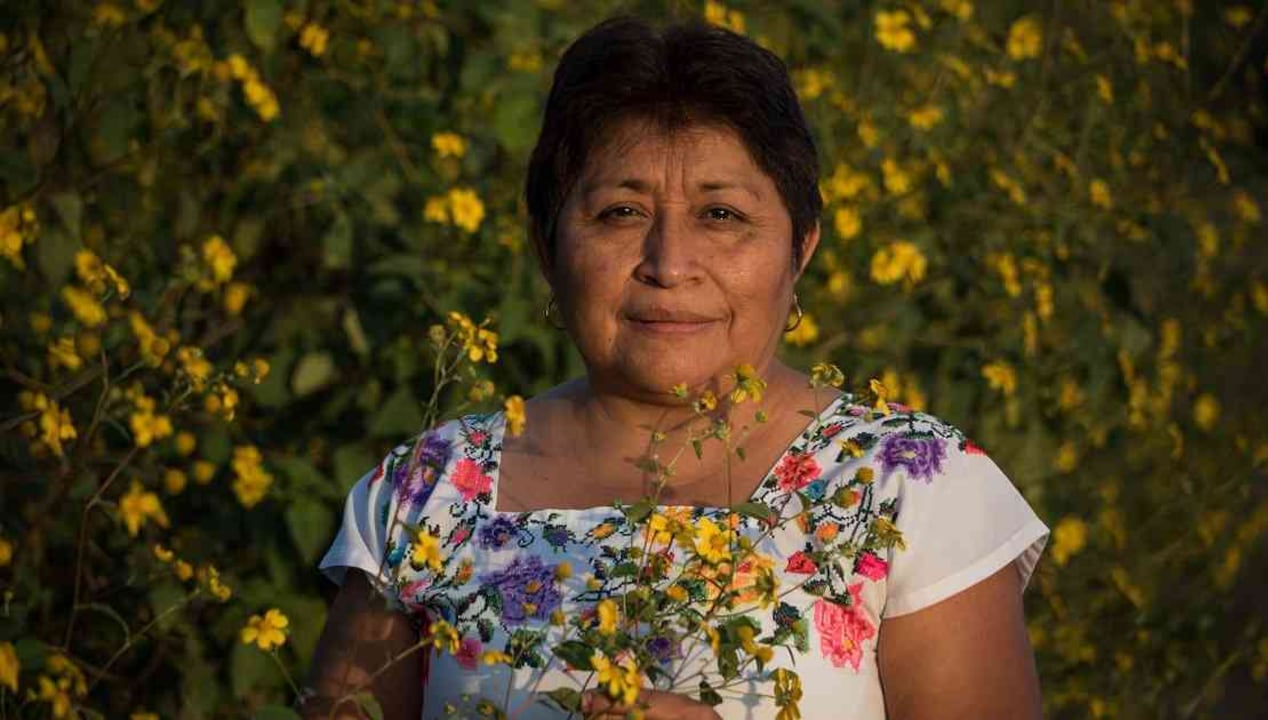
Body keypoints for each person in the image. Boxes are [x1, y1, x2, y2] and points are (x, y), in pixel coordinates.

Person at [305, 15, 1049, 720]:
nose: (669, 264)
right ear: (546, 247)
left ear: (802, 248)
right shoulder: (425, 496)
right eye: (619, 214)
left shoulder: (910, 486)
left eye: (722, 215)